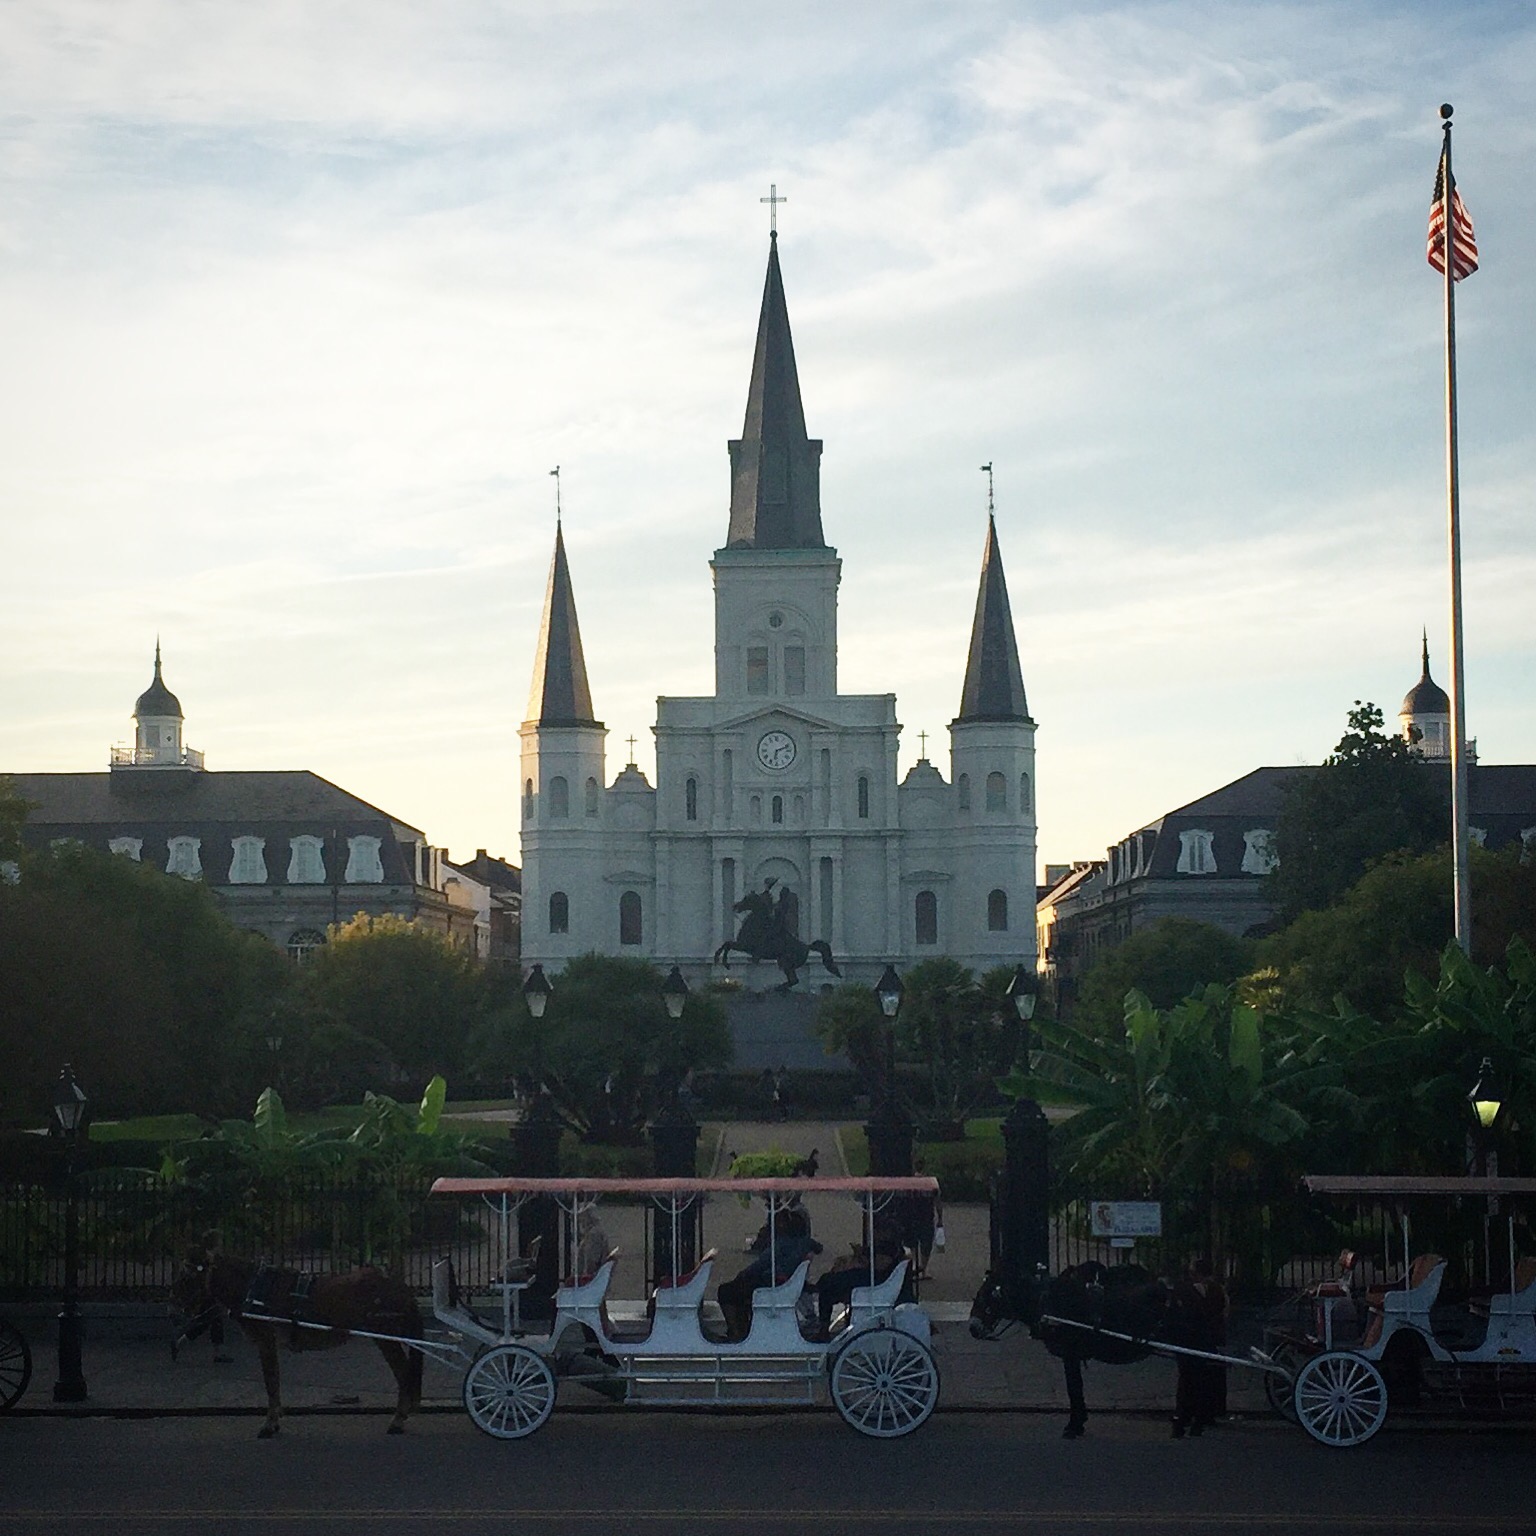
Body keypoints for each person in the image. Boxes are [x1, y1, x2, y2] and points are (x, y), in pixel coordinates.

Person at [716, 1202, 822, 1341]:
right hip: (786, 1282)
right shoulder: (806, 1242)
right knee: (741, 1287)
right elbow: (818, 1248)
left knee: (726, 1290)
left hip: (775, 1282)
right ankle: (742, 1329)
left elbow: (761, 1264)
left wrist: (743, 1274)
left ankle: (736, 1331)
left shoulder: (781, 1243)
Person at [809, 1218, 910, 1339]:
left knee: (830, 1282)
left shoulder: (888, 1248)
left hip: (876, 1282)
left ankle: (823, 1328)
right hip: (874, 1279)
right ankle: (821, 1291)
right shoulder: (891, 1247)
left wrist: (863, 1258)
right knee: (832, 1279)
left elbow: (879, 1266)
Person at [1169, 1257, 1228, 1438]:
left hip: (1189, 1341)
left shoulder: (1183, 1291)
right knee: (1204, 1379)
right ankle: (1202, 1417)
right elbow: (1223, 1314)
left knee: (1186, 1380)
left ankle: (1183, 1417)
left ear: (1194, 1273)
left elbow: (1176, 1315)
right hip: (1208, 1340)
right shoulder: (1219, 1291)